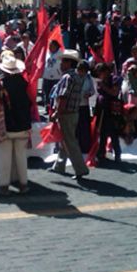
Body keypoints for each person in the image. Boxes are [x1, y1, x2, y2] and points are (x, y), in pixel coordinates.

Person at [0, 52, 32, 194]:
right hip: (23, 125)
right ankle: (23, 184)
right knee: (21, 157)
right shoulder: (24, 84)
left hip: (5, 126)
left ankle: (4, 186)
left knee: (4, 157)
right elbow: (30, 103)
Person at [49, 50, 90, 180]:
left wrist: (56, 112)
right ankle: (59, 165)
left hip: (65, 113)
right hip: (74, 113)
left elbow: (63, 96)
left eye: (63, 61)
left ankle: (81, 169)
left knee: (70, 142)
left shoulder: (67, 77)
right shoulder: (79, 76)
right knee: (65, 140)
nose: (61, 64)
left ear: (69, 63)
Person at [92, 62, 124, 164]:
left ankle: (117, 154)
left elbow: (114, 92)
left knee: (113, 132)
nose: (99, 75)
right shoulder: (101, 80)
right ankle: (101, 152)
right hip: (101, 109)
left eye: (100, 72)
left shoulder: (114, 79)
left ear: (105, 71)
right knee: (102, 132)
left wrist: (103, 86)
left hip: (111, 109)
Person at [75, 61, 96, 155]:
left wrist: (89, 94)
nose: (81, 72)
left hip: (85, 105)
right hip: (75, 105)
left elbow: (93, 90)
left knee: (84, 127)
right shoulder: (73, 77)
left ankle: (85, 147)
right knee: (76, 127)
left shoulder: (88, 78)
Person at [42, 39, 63, 110]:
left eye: (51, 46)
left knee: (55, 93)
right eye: (49, 46)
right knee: (46, 92)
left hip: (56, 77)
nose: (50, 47)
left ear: (56, 46)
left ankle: (54, 107)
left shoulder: (61, 54)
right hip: (47, 76)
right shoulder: (47, 53)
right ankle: (47, 106)